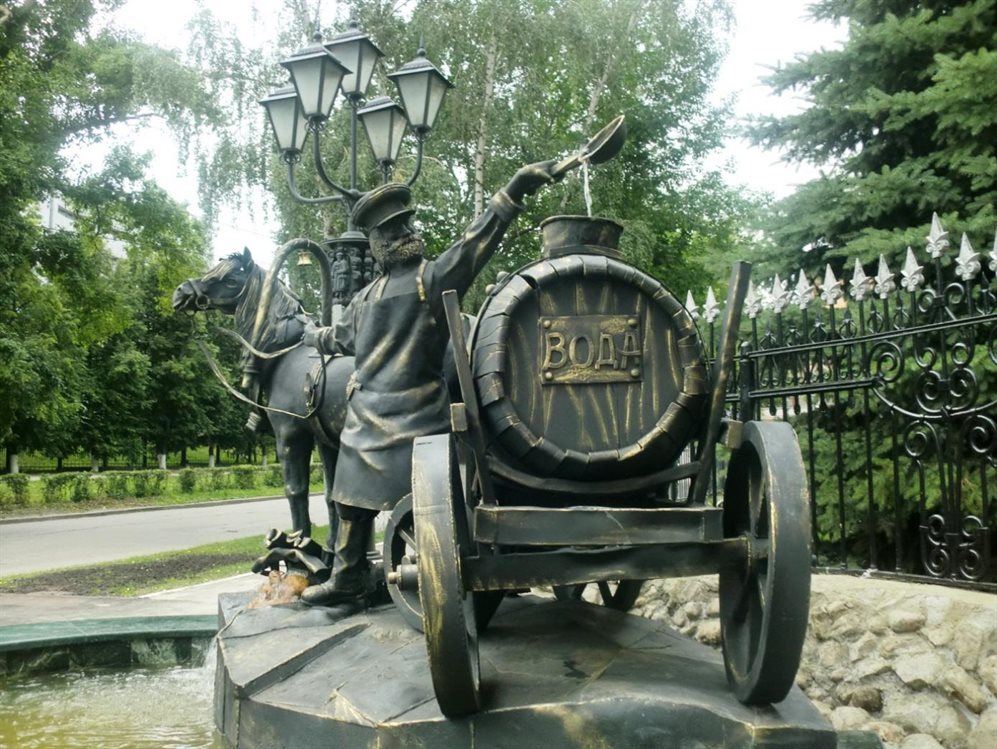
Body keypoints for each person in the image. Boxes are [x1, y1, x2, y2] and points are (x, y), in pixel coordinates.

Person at [299, 160, 559, 606]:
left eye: (405, 224)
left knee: (407, 502)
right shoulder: (369, 297)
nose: (404, 232)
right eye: (394, 229)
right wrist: (312, 334)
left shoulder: (430, 280)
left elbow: (476, 243)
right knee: (348, 500)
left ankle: (420, 569)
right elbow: (341, 338)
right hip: (375, 419)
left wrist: (513, 191)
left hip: (417, 419)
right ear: (378, 243)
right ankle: (348, 575)